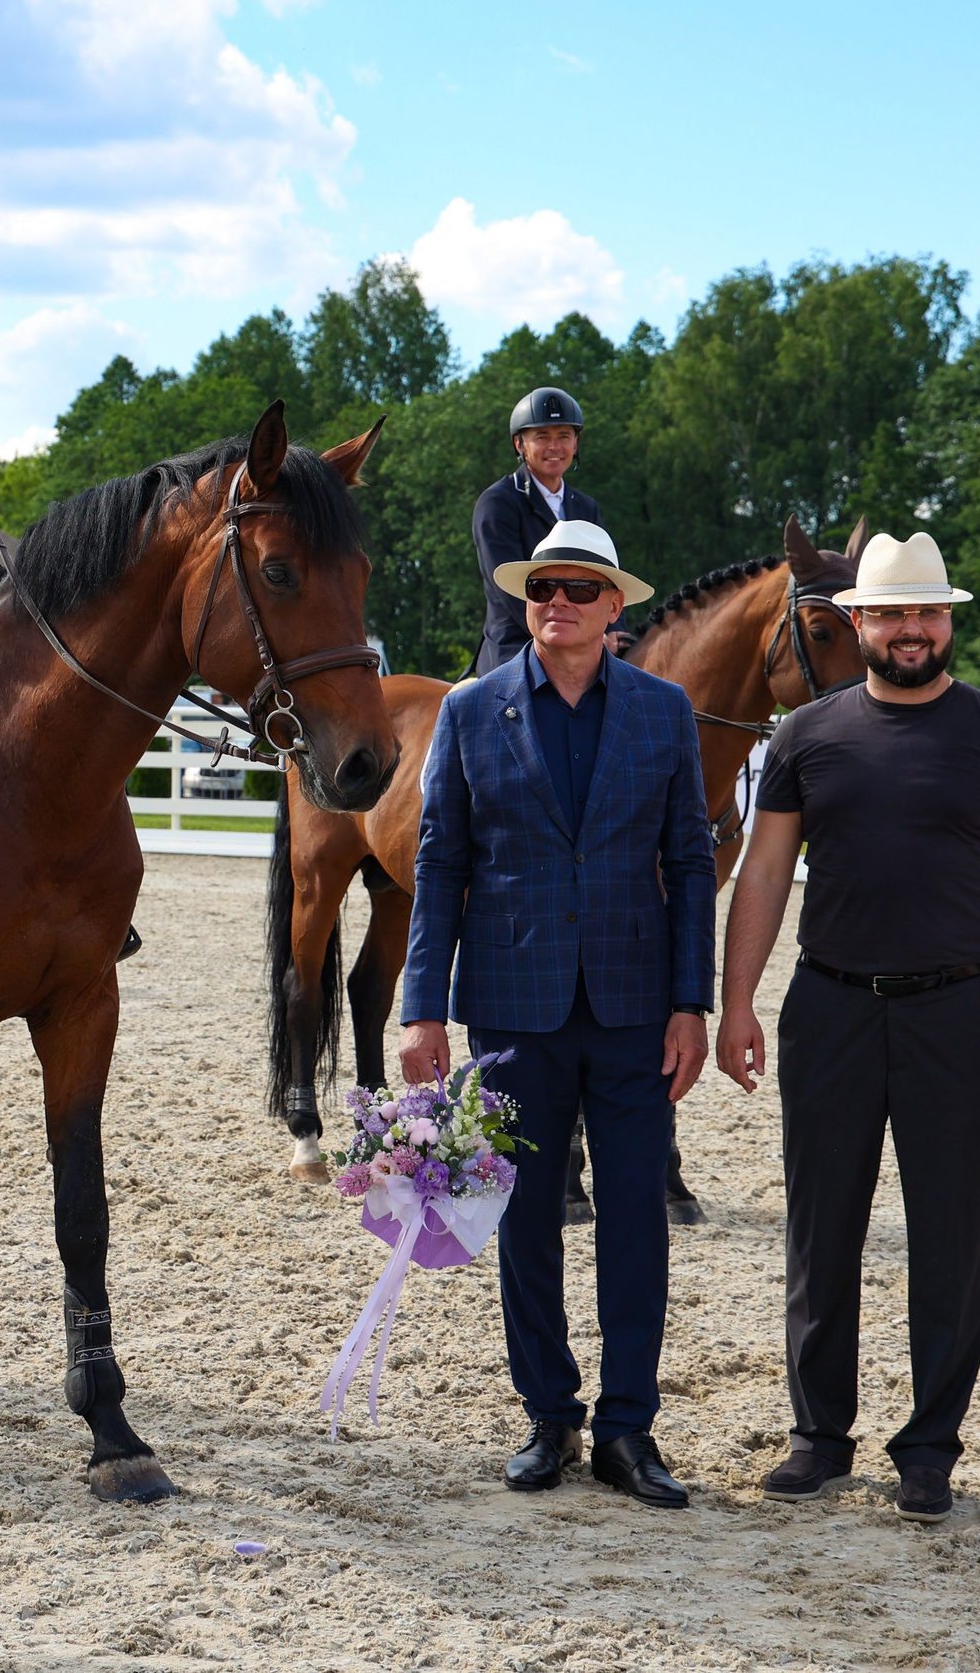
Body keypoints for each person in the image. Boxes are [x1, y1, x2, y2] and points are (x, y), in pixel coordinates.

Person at [715, 531, 980, 1524]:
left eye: (927, 612)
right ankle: (817, 1434)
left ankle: (928, 1446)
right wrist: (737, 999)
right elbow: (761, 873)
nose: (911, 629)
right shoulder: (803, 734)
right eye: (890, 613)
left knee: (949, 1235)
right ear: (857, 622)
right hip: (829, 1004)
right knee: (819, 1226)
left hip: (960, 1010)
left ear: (947, 620)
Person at [397, 521, 713, 1505]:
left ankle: (628, 1428)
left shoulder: (665, 712)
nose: (558, 602)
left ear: (614, 604)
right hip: (509, 1009)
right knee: (527, 1219)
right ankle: (548, 1414)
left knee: (633, 1223)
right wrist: (421, 1007)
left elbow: (693, 865)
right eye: (542, 587)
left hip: (631, 1010)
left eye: (579, 587)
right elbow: (441, 860)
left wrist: (689, 1001)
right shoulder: (467, 709)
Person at [470, 387, 602, 677]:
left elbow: (608, 577)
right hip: (516, 643)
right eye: (542, 437)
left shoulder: (585, 507)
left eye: (564, 436)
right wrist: (562, 635)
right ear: (520, 444)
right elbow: (508, 586)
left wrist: (615, 629)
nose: (555, 447)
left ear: (576, 443)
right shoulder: (498, 502)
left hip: (580, 639)